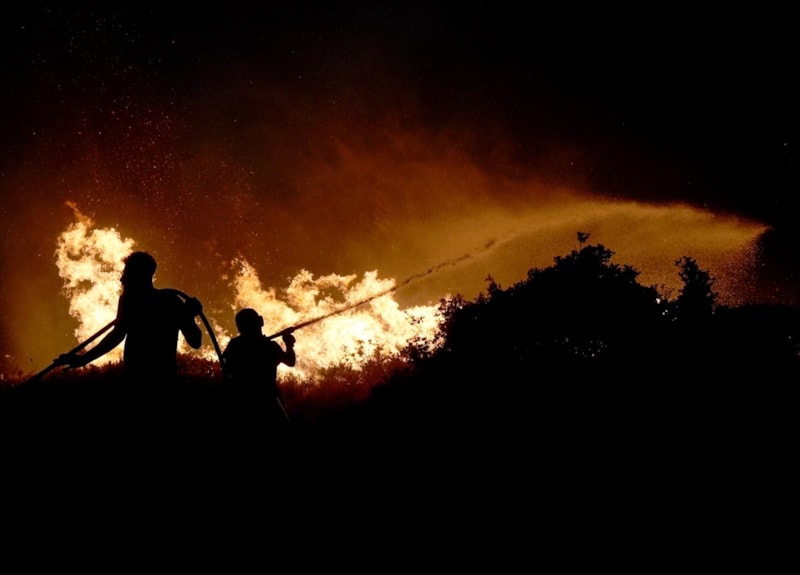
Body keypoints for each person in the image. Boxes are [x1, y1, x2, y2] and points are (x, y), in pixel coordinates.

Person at [59, 250, 204, 492]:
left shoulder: (164, 301)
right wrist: (82, 360)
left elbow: (195, 341)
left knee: (148, 443)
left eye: (126, 273)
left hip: (154, 385)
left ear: (140, 275)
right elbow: (116, 335)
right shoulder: (151, 301)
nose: (122, 278)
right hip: (143, 383)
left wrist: (190, 316)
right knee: (138, 443)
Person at [221, 308, 296, 430]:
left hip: (239, 402)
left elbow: (227, 369)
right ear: (260, 321)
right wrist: (289, 345)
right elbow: (290, 361)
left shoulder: (235, 344)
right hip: (268, 402)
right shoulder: (269, 347)